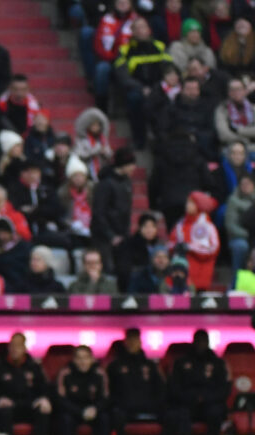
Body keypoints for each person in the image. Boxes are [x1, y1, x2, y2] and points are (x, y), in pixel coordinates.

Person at [164, 330, 230, 435]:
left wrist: (206, 398)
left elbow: (223, 389)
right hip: (188, 403)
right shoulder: (182, 363)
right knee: (181, 413)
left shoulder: (217, 363)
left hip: (210, 403)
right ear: (193, 342)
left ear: (208, 343)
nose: (201, 344)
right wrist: (191, 397)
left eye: (204, 341)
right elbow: (174, 388)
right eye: (198, 341)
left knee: (215, 412)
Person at [107, 328, 166, 435]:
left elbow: (161, 390)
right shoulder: (115, 366)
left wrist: (156, 403)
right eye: (130, 339)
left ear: (140, 342)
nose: (133, 343)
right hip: (124, 408)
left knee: (172, 414)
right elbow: (109, 392)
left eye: (136, 339)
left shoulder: (151, 366)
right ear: (125, 342)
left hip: (149, 407)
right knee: (114, 415)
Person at [113, 17, 173, 148]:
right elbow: (123, 76)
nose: (141, 30)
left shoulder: (160, 46)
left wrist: (159, 86)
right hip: (137, 89)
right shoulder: (124, 50)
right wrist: (141, 88)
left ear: (149, 30)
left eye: (144, 27)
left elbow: (169, 69)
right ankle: (139, 139)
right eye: (138, 28)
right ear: (132, 32)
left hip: (159, 87)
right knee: (134, 99)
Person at [0, 332, 52, 435]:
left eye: (18, 346)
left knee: (42, 412)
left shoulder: (35, 368)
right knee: (4, 412)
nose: (15, 349)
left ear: (25, 348)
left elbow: (45, 389)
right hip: (9, 407)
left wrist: (44, 399)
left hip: (30, 406)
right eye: (12, 346)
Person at [55, 345, 110, 435]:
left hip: (93, 411)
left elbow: (106, 398)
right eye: (79, 358)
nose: (82, 362)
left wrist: (95, 409)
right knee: (65, 419)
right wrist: (80, 412)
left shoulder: (99, 374)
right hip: (74, 411)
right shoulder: (66, 373)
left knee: (104, 418)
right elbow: (61, 400)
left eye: (85, 358)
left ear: (92, 359)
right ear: (74, 360)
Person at [91, 147, 136, 272]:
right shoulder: (105, 184)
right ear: (123, 164)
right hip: (104, 238)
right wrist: (111, 236)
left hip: (121, 235)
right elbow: (98, 213)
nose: (134, 167)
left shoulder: (127, 182)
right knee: (108, 270)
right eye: (131, 164)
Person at [169, 191, 220, 291]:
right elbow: (171, 242)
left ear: (199, 205)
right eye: (188, 202)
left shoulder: (208, 226)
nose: (187, 205)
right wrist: (175, 247)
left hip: (200, 272)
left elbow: (213, 248)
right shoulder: (180, 224)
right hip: (181, 273)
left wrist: (190, 247)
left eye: (192, 203)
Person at [225, 173, 255, 276]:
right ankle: (236, 282)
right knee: (241, 246)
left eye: (248, 183)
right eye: (243, 184)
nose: (245, 186)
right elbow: (231, 226)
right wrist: (249, 236)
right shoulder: (233, 201)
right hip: (238, 237)